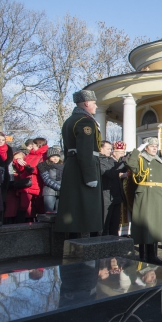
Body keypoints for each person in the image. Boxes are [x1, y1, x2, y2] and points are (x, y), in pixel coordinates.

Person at [55, 89, 104, 237]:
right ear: (86, 103)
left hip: (72, 165)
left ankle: (73, 242)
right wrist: (90, 176)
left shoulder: (70, 121)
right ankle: (90, 246)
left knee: (74, 206)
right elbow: (85, 150)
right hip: (84, 167)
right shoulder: (85, 121)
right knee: (88, 207)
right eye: (94, 103)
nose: (96, 107)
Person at [126, 137, 162, 264]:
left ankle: (153, 256)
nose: (154, 148)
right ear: (146, 147)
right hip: (145, 194)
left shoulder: (161, 162)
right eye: (151, 146)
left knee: (155, 227)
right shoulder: (141, 159)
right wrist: (137, 150)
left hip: (158, 196)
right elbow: (129, 163)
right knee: (144, 227)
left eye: (156, 146)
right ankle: (143, 255)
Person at [38, 147, 64, 213]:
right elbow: (46, 179)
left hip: (63, 190)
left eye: (57, 156)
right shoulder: (43, 165)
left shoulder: (64, 165)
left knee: (61, 212)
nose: (55, 158)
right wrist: (60, 187)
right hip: (49, 191)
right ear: (49, 157)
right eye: (53, 157)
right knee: (48, 212)